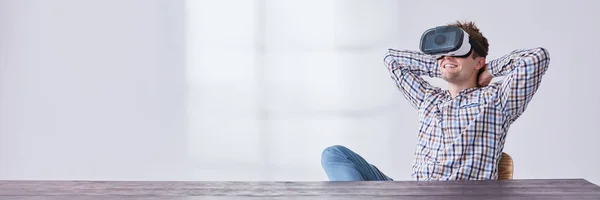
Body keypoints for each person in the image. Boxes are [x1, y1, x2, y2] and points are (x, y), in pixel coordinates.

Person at [320, 21, 551, 181]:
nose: (448, 56)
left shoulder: (497, 100)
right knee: (334, 154)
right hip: (414, 193)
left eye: (458, 51)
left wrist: (489, 71)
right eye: (443, 52)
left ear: (478, 61)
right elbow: (392, 59)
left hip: (460, 195)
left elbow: (537, 57)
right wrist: (442, 64)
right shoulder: (428, 99)